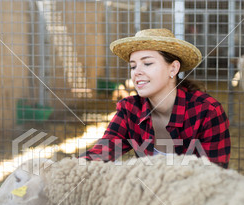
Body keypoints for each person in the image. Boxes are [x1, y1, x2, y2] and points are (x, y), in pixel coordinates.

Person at [80, 28, 231, 168]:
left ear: (173, 68)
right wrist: (70, 170)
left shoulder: (207, 111)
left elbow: (214, 173)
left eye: (147, 63)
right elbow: (102, 152)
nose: (136, 72)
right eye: (133, 66)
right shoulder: (130, 109)